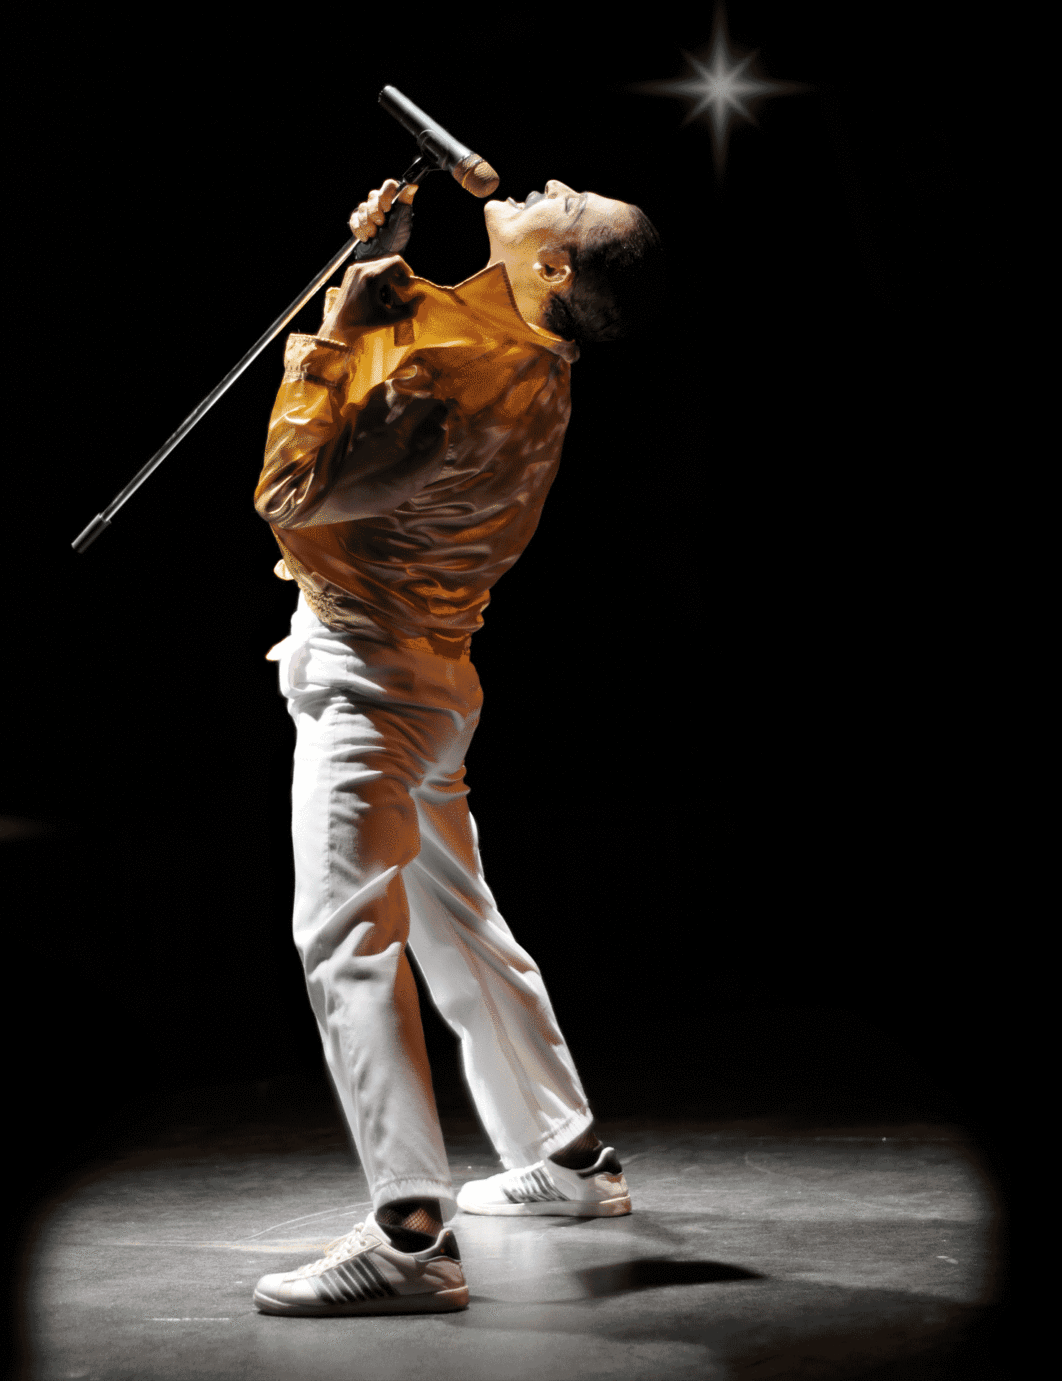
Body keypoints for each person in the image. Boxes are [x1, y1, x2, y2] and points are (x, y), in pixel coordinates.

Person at [247, 175, 665, 1317]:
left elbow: (288, 489)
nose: (549, 185)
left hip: (371, 684)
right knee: (452, 918)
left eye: (568, 201)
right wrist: (371, 271)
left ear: (557, 267)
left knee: (346, 939)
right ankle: (570, 1159)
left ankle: (408, 1237)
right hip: (435, 686)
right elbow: (433, 347)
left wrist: (343, 316)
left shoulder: (454, 378)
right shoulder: (537, 358)